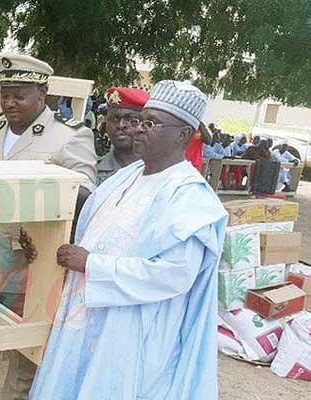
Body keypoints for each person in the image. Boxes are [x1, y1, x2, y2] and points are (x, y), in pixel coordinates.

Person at [29, 80, 227, 400]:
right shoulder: (126, 176)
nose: (138, 130)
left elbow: (176, 274)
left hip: (130, 332)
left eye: (150, 123)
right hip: (85, 316)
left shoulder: (190, 197)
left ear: (182, 134)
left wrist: (93, 264)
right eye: (139, 121)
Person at [0, 53, 97, 400]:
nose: (9, 103)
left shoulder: (68, 137)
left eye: (19, 94)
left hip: (33, 256)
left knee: (26, 345)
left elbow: (84, 192)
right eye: (4, 94)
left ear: (43, 94)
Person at [96, 87, 148, 186]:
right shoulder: (92, 171)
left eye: (131, 119)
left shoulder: (159, 172)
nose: (120, 125)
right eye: (114, 118)